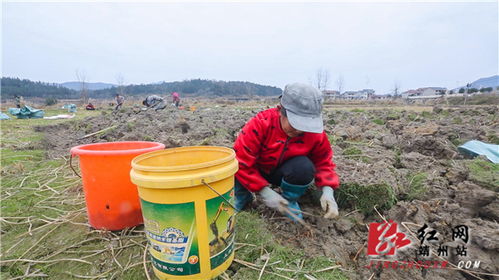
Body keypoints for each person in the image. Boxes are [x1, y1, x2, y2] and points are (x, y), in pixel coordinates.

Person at [233, 83, 340, 220]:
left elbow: (323, 162)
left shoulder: (314, 134)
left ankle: (288, 201)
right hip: (256, 169)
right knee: (231, 160)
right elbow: (241, 160)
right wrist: (264, 192)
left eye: (305, 125)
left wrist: (328, 191)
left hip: (283, 173)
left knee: (304, 167)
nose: (299, 130)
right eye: (295, 123)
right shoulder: (261, 123)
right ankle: (242, 196)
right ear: (281, 111)